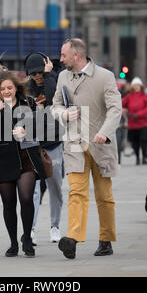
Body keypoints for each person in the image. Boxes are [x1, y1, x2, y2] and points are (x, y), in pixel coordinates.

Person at [51, 38, 122, 259]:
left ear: (76, 56)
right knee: (76, 192)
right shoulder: (63, 76)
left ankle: (106, 239)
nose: (61, 60)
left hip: (101, 145)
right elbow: (55, 105)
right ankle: (72, 238)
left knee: (104, 195)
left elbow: (115, 109)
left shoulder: (105, 76)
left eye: (64, 55)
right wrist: (63, 114)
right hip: (74, 144)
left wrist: (105, 131)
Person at [0, 63, 47, 258]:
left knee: (26, 198)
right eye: (2, 89)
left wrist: (27, 131)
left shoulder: (28, 103)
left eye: (9, 87)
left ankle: (26, 238)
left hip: (27, 158)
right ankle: (12, 243)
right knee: (8, 204)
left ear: (16, 87)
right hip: (4, 159)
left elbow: (43, 128)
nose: (6, 91)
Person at [24, 52, 64, 244]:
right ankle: (30, 228)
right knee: (32, 189)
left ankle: (55, 226)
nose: (38, 76)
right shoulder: (26, 89)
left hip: (54, 142)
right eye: (34, 74)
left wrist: (49, 75)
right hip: (33, 144)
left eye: (40, 72)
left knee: (55, 186)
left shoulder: (55, 80)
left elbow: (51, 97)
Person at [122, 77, 147, 165]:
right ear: (132, 86)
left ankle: (144, 157)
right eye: (134, 85)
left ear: (141, 86)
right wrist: (123, 110)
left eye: (137, 85)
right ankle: (138, 158)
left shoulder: (145, 96)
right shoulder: (128, 96)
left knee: (143, 140)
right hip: (132, 123)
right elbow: (122, 104)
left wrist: (139, 114)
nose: (136, 87)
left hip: (143, 122)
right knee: (135, 142)